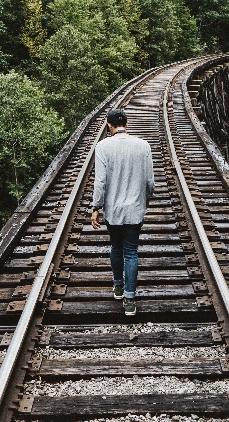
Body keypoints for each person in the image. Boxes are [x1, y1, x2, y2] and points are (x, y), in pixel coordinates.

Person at [90, 107, 155, 316]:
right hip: (135, 209)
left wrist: (96, 207)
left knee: (115, 247)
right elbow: (149, 181)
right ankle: (130, 300)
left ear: (109, 125)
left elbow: (100, 182)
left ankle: (118, 286)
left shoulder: (102, 147)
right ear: (126, 124)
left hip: (113, 210)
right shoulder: (143, 146)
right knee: (131, 252)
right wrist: (147, 197)